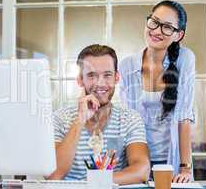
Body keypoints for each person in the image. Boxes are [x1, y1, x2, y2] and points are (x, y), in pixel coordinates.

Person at [48, 44, 150, 185]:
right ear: (80, 80)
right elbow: (54, 174)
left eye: (107, 75)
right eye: (91, 75)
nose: (100, 83)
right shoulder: (59, 119)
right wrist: (80, 120)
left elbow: (142, 170)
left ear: (116, 77)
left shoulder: (130, 119)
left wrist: (94, 183)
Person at [119, 0, 195, 183]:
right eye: (154, 22)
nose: (157, 31)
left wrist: (185, 168)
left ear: (179, 35)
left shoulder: (185, 59)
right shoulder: (127, 65)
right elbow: (126, 119)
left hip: (171, 163)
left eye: (167, 27)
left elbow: (184, 117)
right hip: (135, 162)